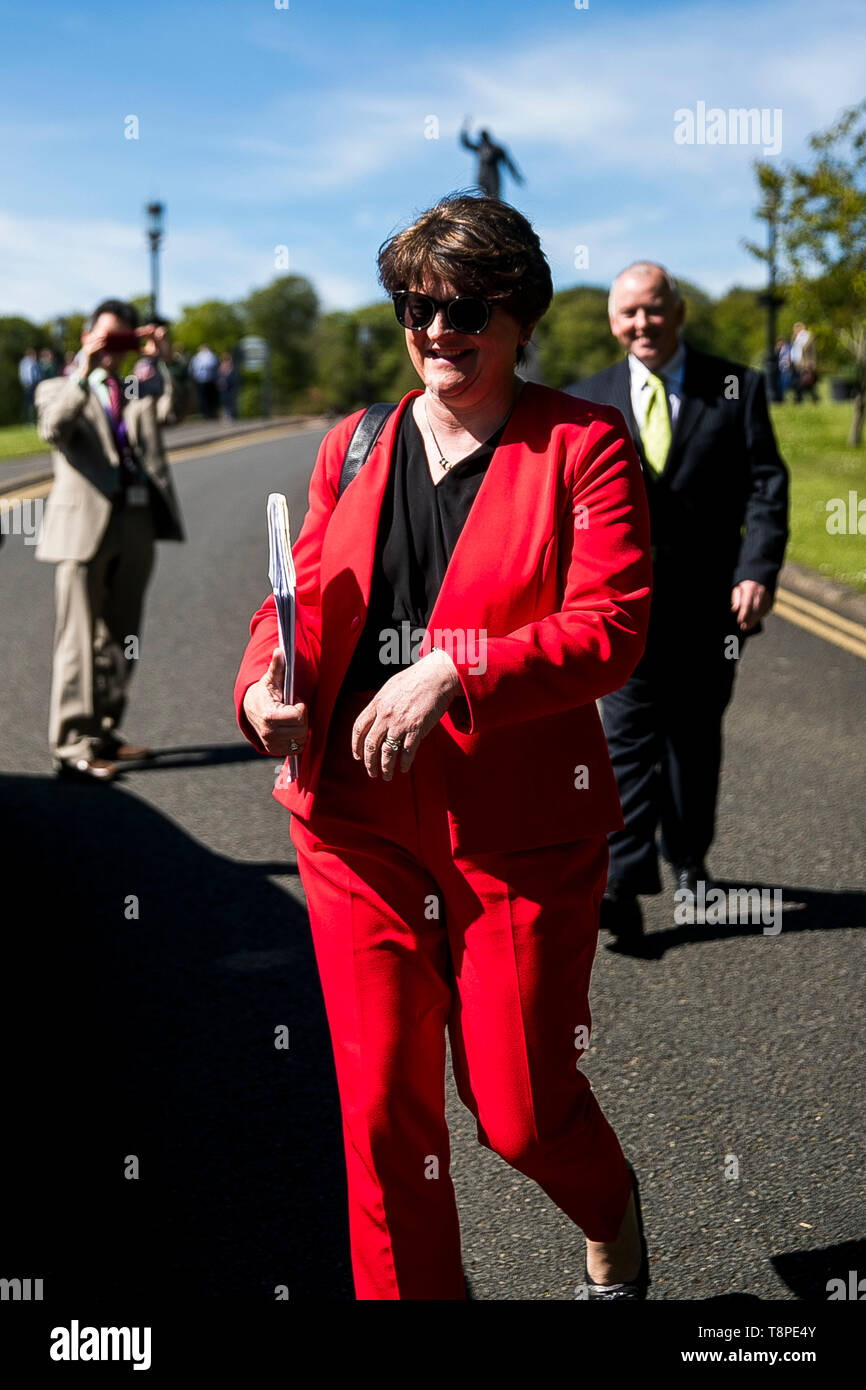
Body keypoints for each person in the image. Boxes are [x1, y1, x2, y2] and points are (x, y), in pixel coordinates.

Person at [234, 194, 654, 1301]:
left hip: (512, 827)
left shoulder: (582, 442)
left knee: (518, 1111)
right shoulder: (355, 441)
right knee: (379, 1114)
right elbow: (295, 607)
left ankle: (609, 1208)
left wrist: (452, 668)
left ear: (517, 315)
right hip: (351, 826)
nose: (432, 329)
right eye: (414, 306)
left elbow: (610, 627)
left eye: (461, 306)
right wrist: (263, 688)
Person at [569, 262, 789, 942]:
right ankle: (623, 881)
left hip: (712, 607)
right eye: (629, 312)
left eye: (654, 309)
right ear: (613, 321)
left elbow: (766, 485)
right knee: (626, 738)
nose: (642, 323)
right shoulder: (587, 399)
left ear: (678, 311)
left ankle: (690, 859)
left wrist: (756, 569)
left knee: (693, 739)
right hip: (622, 606)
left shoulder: (737, 387)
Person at [35, 298, 186, 781]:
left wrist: (164, 363)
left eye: (123, 338)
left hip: (135, 522)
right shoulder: (59, 386)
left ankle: (103, 732)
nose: (114, 349)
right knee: (78, 639)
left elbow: (172, 414)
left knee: (123, 638)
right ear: (86, 338)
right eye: (106, 337)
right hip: (83, 527)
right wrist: (83, 370)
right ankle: (71, 744)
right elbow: (52, 428)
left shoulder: (134, 389)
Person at [459, 120, 524, 199]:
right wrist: (465, 128)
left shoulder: (497, 149)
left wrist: (516, 175)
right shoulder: (480, 148)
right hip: (482, 177)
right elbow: (466, 143)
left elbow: (508, 163)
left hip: (493, 177)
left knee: (494, 198)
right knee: (482, 198)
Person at [189, 343, 220, 418]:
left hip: (210, 380)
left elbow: (213, 365)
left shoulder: (211, 356)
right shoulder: (197, 357)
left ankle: (211, 412)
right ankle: (205, 413)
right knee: (203, 397)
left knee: (211, 397)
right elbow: (192, 368)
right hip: (201, 380)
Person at [790, 322, 819, 403]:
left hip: (807, 364)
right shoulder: (796, 338)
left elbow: (811, 352)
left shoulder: (808, 337)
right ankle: (804, 398)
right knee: (804, 383)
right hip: (798, 365)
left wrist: (811, 364)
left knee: (806, 382)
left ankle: (799, 399)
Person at [18, 348, 40, 422]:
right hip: (28, 385)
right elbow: (23, 375)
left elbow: (37, 374)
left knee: (34, 403)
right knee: (28, 404)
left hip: (35, 384)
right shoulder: (24, 363)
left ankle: (34, 420)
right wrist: (26, 384)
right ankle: (27, 420)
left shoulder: (33, 362)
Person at [217, 351, 239, 419]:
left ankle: (232, 415)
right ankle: (226, 415)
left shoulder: (232, 368)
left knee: (231, 401)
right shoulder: (221, 368)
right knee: (224, 402)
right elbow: (217, 376)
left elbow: (234, 378)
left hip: (231, 388)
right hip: (223, 388)